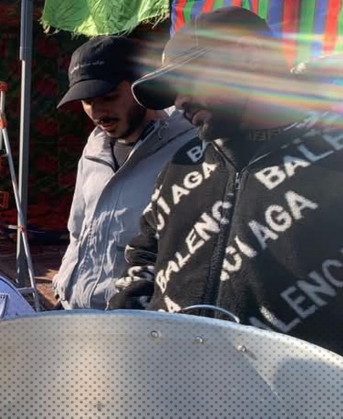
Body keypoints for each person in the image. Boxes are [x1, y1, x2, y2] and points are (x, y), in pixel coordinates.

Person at [110, 6, 343, 356]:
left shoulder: (333, 156)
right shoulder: (184, 163)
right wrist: (120, 340)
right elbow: (145, 256)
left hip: (297, 386)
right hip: (171, 375)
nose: (179, 101)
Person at [52, 35, 198, 310]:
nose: (98, 112)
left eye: (109, 97)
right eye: (86, 102)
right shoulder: (94, 147)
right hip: (74, 311)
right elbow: (78, 232)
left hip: (134, 320)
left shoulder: (189, 151)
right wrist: (63, 287)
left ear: (143, 86)